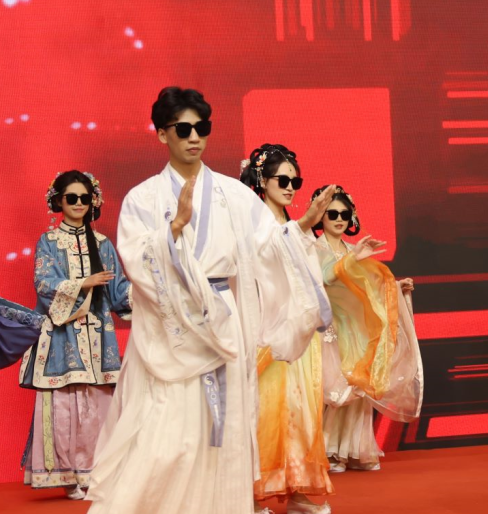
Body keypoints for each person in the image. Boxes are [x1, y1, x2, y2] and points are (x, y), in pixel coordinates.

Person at [87, 87, 336, 514]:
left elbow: (267, 249)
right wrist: (173, 232)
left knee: (227, 431)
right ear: (162, 134)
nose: (194, 137)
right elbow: (137, 262)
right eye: (183, 129)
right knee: (169, 432)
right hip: (171, 328)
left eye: (201, 128)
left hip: (225, 321)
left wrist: (300, 228)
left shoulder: (234, 195)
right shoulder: (142, 198)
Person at [20, 171, 131, 500]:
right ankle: (68, 476)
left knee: (99, 405)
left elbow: (118, 290)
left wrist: (149, 292)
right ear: (59, 201)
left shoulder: (103, 244)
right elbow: (44, 284)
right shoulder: (49, 242)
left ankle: (98, 473)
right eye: (72, 198)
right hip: (61, 336)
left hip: (98, 336)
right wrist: (83, 283)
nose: (79, 203)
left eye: (85, 198)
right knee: (64, 406)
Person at [241, 145, 334, 514]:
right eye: (283, 179)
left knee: (300, 413)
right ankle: (254, 495)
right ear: (262, 180)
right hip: (268, 333)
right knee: (265, 412)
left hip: (300, 335)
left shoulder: (289, 224)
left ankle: (296, 491)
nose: (291, 187)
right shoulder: (254, 220)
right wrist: (306, 222)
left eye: (296, 181)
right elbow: (262, 259)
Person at [311, 186, 423, 473]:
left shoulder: (352, 249)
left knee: (360, 389)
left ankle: (354, 450)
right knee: (335, 392)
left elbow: (369, 289)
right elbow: (324, 278)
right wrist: (354, 259)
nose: (339, 219)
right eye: (332, 214)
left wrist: (396, 288)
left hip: (358, 329)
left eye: (344, 214)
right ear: (320, 216)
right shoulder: (313, 248)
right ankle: (328, 452)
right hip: (329, 329)